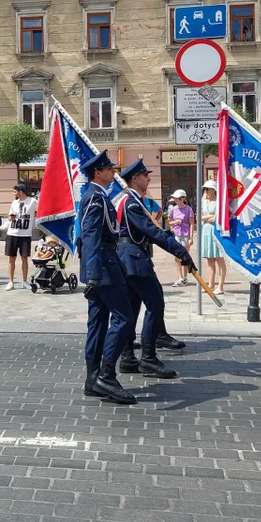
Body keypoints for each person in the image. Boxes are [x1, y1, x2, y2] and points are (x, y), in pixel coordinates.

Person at [115, 159, 194, 379]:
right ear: (134, 179)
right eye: (145, 175)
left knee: (132, 308)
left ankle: (128, 357)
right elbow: (150, 231)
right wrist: (180, 251)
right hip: (134, 259)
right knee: (156, 302)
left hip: (131, 257)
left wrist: (170, 240)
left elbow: (148, 231)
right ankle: (148, 359)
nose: (149, 178)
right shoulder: (131, 202)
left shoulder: (133, 201)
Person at [78, 151, 136, 405]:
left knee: (99, 322)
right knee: (124, 317)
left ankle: (92, 379)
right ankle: (106, 375)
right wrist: (93, 274)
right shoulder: (96, 198)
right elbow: (90, 236)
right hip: (104, 267)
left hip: (102, 265)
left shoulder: (99, 196)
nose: (113, 173)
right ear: (97, 173)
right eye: (109, 170)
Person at [5, 183, 37, 291]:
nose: (14, 194)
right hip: (12, 233)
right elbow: (10, 217)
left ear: (21, 192)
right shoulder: (14, 202)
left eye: (15, 191)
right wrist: (11, 217)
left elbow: (40, 211)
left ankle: (24, 281)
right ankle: (10, 282)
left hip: (25, 235)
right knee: (11, 258)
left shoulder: (32, 202)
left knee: (24, 258)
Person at [199, 181, 226, 295]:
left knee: (219, 258)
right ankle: (210, 284)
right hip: (205, 231)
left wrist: (207, 218)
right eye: (205, 189)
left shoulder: (218, 202)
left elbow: (217, 218)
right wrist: (207, 217)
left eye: (208, 189)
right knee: (210, 259)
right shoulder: (204, 202)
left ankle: (220, 285)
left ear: (214, 190)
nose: (206, 191)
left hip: (215, 230)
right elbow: (200, 216)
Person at [168, 190, 194, 286]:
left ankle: (185, 277)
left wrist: (191, 238)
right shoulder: (172, 209)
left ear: (183, 198)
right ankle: (180, 277)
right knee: (176, 257)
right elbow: (169, 222)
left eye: (178, 198)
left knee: (185, 256)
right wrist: (175, 223)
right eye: (175, 198)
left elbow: (192, 224)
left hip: (186, 235)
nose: (176, 200)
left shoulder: (188, 209)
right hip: (176, 235)